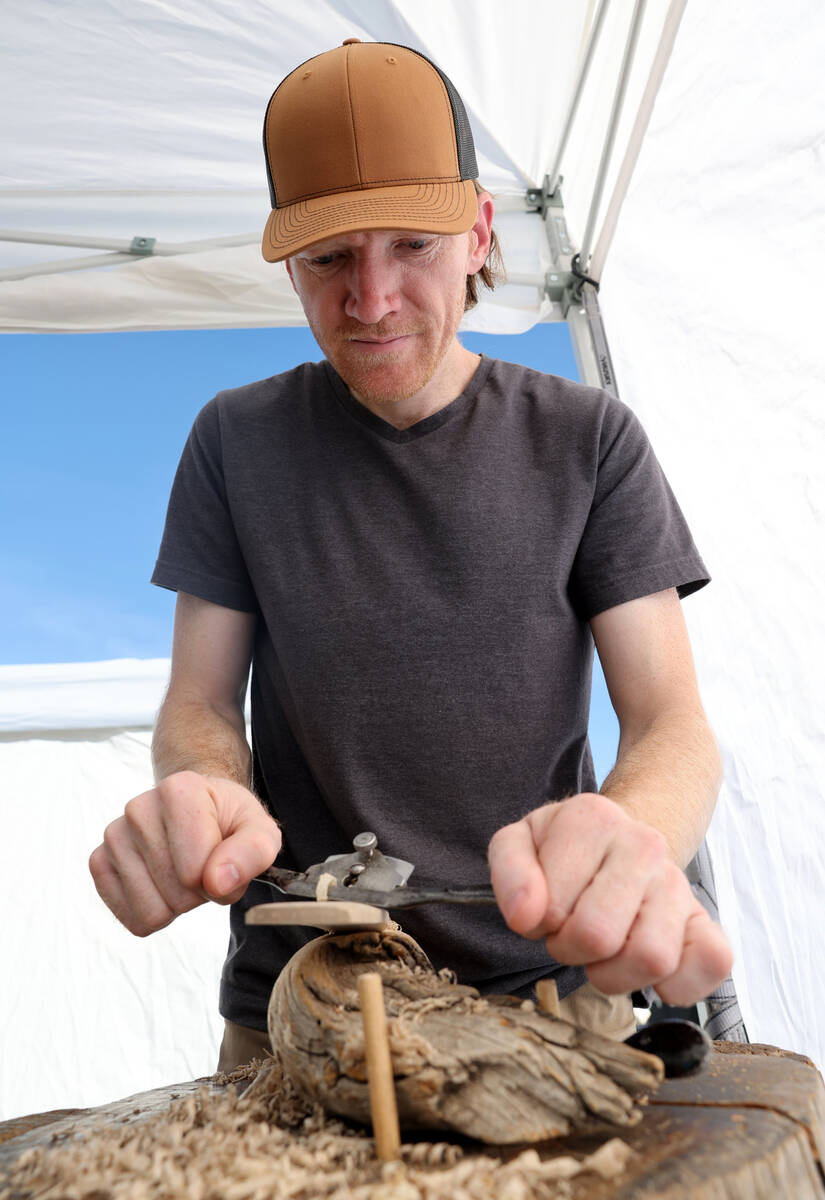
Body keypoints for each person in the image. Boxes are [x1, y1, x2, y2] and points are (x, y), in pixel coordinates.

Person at [89, 39, 732, 1070]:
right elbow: (201, 703)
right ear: (290, 264)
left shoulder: (589, 440)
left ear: (477, 231)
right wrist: (207, 788)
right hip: (296, 1008)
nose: (373, 299)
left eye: (412, 247)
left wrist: (628, 833)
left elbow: (671, 723)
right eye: (329, 259)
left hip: (547, 1002)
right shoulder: (233, 441)